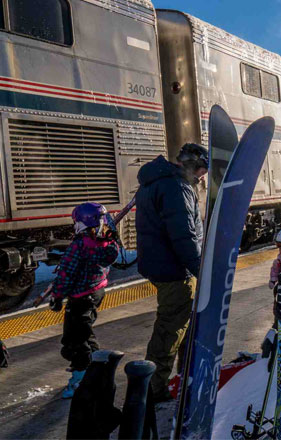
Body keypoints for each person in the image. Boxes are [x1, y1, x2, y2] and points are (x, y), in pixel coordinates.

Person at [135, 142, 208, 402]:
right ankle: (153, 387)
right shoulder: (176, 187)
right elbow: (183, 235)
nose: (201, 179)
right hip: (173, 269)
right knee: (171, 327)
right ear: (194, 168)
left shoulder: (156, 180)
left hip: (160, 264)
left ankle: (183, 373)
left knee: (181, 321)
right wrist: (200, 269)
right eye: (201, 173)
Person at [49, 202, 120, 398]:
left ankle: (81, 379)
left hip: (80, 298)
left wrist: (56, 296)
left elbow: (66, 274)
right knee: (86, 334)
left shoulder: (79, 245)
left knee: (74, 340)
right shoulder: (108, 242)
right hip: (95, 293)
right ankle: (96, 367)